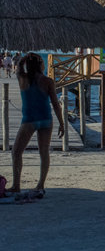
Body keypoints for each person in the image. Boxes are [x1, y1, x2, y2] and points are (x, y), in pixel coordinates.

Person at [11, 53, 64, 197]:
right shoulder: (48, 81)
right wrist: (61, 123)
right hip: (46, 119)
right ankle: (40, 185)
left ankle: (16, 185)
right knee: (44, 152)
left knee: (16, 152)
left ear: (27, 65)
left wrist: (25, 58)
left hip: (30, 119)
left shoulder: (23, 78)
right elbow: (55, 104)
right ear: (41, 65)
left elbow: (18, 67)